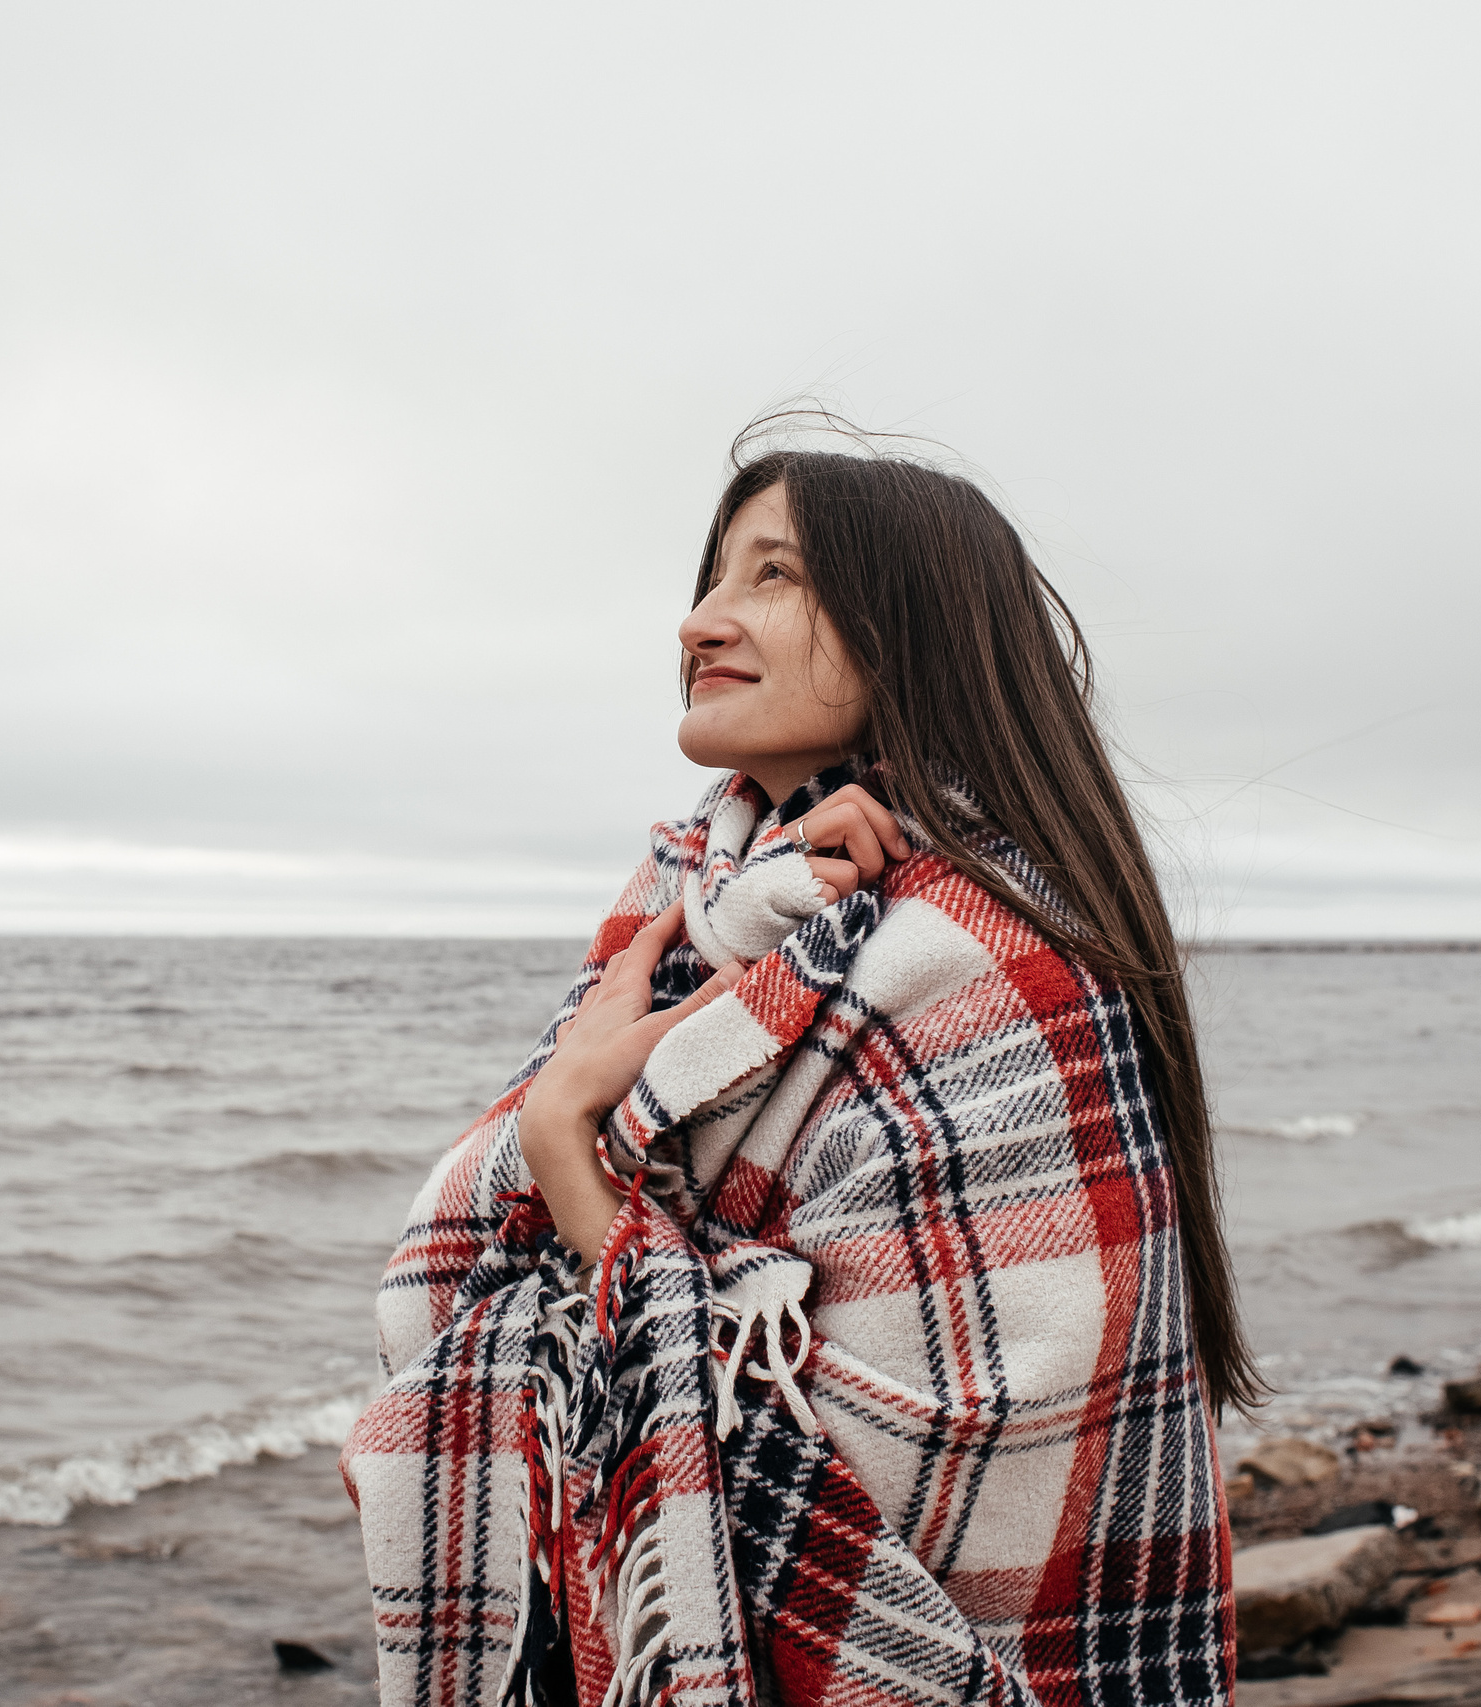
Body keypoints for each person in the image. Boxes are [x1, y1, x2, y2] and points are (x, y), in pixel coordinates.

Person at [341, 425, 1254, 1707]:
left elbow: (869, 1519)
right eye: (713, 577)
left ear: (913, 628)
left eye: (772, 574)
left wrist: (571, 1159)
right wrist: (577, 1130)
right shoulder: (708, 923)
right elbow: (458, 1283)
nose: (699, 622)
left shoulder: (979, 971)